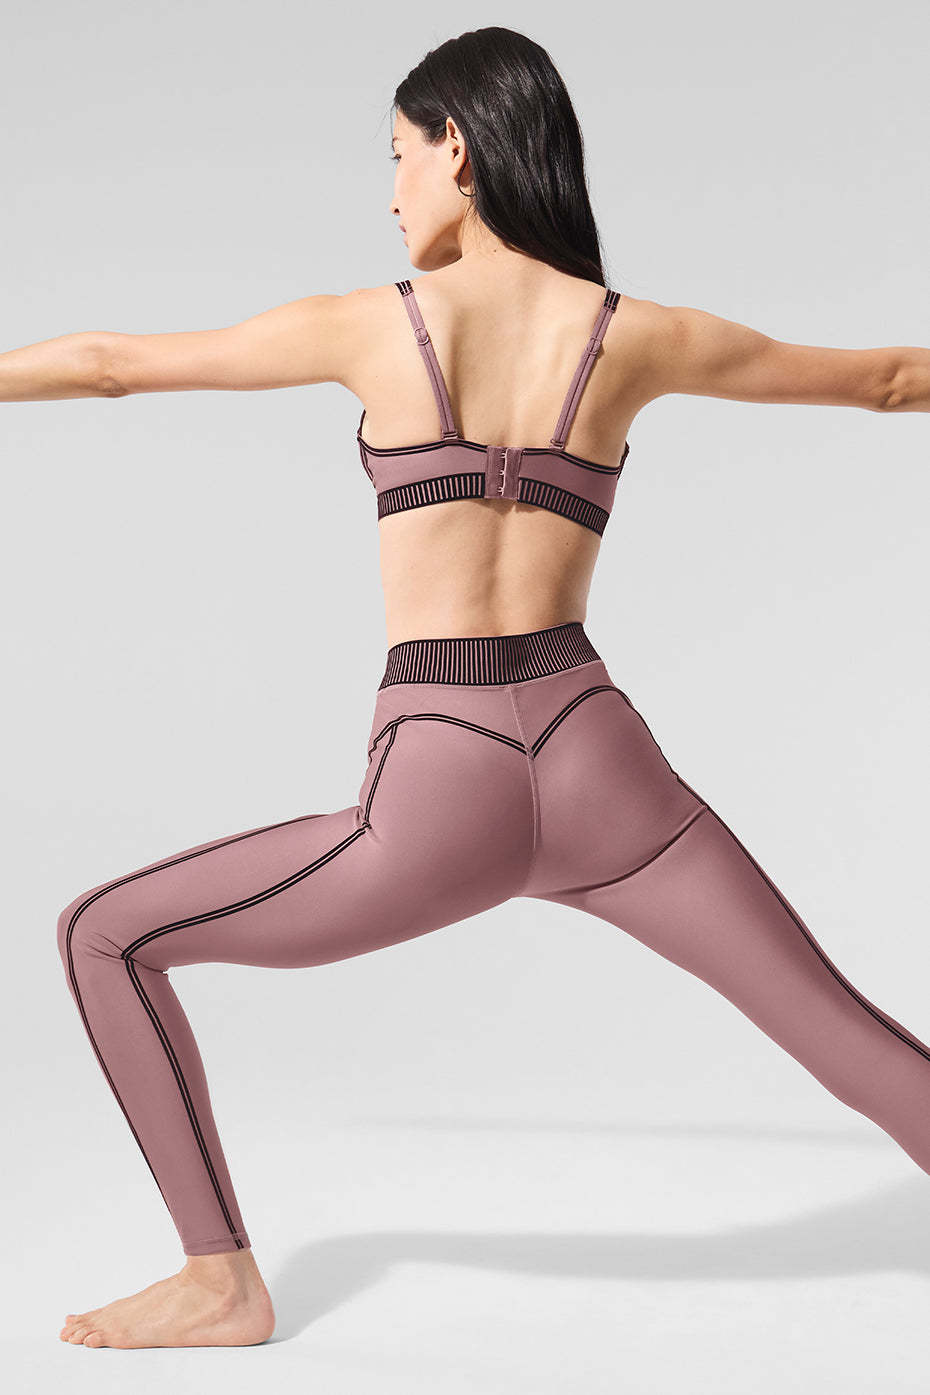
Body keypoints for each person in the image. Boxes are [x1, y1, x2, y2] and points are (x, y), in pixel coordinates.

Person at [5, 25, 922, 1350]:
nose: (389, 192)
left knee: (103, 935)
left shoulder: (369, 327)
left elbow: (106, 363)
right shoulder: (640, 337)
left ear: (460, 147)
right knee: (845, 1037)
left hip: (444, 769)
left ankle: (220, 1282)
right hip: (605, 762)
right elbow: (892, 381)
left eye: (396, 155)